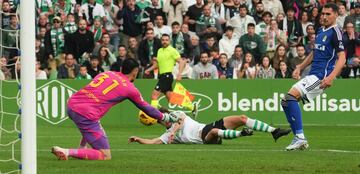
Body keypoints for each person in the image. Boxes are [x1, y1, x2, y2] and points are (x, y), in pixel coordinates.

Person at [51, 58, 180, 161]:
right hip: (86, 113)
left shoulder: (107, 73)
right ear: (135, 71)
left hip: (72, 104)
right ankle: (66, 151)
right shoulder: (130, 88)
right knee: (105, 155)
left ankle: (81, 148)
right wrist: (166, 117)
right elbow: (146, 108)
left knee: (93, 124)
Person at [281, 3, 346, 151]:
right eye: (323, 13)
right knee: (285, 102)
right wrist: (300, 67)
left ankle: (300, 137)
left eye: (328, 14)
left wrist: (331, 77)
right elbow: (314, 52)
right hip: (312, 74)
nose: (324, 16)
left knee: (290, 97)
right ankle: (299, 138)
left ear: (336, 15)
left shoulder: (336, 32)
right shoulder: (320, 30)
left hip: (320, 77)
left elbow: (342, 58)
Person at [129, 108, 291, 145]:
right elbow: (153, 141)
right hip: (205, 137)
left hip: (206, 127)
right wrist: (138, 139)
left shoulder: (177, 114)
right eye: (160, 120)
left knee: (242, 117)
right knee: (214, 131)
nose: (163, 120)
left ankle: (274, 131)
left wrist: (174, 131)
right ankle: (243, 134)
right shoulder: (167, 134)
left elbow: (180, 121)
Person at [145, 34, 197, 115]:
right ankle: (192, 106)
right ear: (161, 41)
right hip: (162, 76)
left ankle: (153, 116)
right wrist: (149, 69)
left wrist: (179, 74)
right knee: (171, 99)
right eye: (163, 40)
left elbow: (182, 62)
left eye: (166, 40)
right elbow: (157, 64)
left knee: (154, 96)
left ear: (169, 41)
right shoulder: (159, 51)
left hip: (167, 76)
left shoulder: (172, 50)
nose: (164, 41)